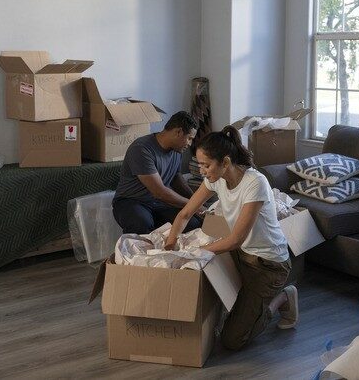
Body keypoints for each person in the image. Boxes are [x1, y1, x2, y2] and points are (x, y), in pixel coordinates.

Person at [165, 125, 299, 350]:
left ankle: (284, 297)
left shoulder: (255, 183)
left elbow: (236, 238)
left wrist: (196, 253)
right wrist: (170, 243)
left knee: (232, 341)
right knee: (205, 269)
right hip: (241, 254)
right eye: (199, 165)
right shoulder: (215, 179)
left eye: (206, 165)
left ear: (225, 162)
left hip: (268, 264)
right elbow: (186, 213)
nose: (202, 171)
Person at [112, 111, 204, 234]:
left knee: (193, 223)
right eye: (189, 138)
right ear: (178, 132)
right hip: (131, 202)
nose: (190, 144)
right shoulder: (141, 149)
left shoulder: (176, 150)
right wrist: (194, 205)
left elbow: (176, 178)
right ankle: (126, 252)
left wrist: (195, 200)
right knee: (141, 223)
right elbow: (159, 192)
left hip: (159, 203)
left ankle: (168, 252)